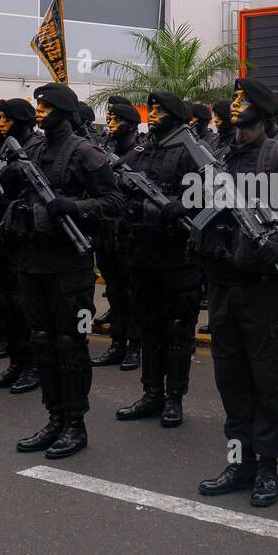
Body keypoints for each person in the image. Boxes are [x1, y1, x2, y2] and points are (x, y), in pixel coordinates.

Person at [193, 77, 278, 507]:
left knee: (266, 380)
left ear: (262, 109)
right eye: (232, 99)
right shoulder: (223, 156)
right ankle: (239, 461)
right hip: (224, 286)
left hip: (262, 289)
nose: (233, 105)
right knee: (230, 380)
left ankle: (267, 468)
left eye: (242, 100)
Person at [11, 84, 125, 458]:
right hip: (33, 261)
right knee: (42, 340)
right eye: (37, 107)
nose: (39, 111)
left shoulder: (86, 152)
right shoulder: (35, 149)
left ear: (63, 110)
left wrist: (74, 207)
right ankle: (54, 417)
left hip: (69, 265)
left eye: (45, 106)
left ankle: (75, 424)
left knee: (69, 344)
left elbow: (113, 201)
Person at [114, 91, 201, 427]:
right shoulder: (144, 150)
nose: (153, 113)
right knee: (149, 325)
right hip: (144, 253)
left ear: (176, 115)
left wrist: (182, 203)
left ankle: (174, 397)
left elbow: (213, 190)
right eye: (151, 109)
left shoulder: (191, 150)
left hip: (178, 254)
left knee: (178, 328)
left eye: (160, 109)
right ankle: (152, 394)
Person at [0, 98, 40, 394]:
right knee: (4, 302)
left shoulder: (36, 151)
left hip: (23, 239)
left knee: (23, 304)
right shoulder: (1, 150)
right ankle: (16, 362)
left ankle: (32, 365)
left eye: (3, 120)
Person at [92, 101, 142, 372]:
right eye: (109, 119)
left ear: (131, 125)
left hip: (130, 235)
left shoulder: (140, 154)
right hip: (108, 233)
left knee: (131, 292)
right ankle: (116, 342)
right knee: (113, 291)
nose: (110, 124)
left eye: (115, 120)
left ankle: (135, 345)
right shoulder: (104, 152)